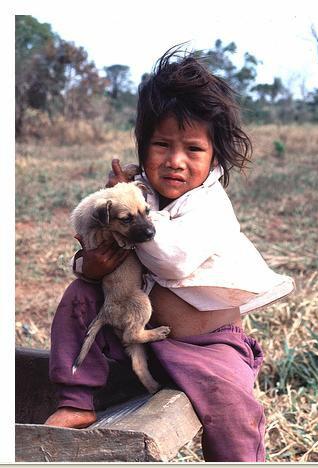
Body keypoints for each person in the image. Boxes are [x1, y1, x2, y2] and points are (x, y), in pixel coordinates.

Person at [44, 47, 294, 462]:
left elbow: (172, 259)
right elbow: (89, 232)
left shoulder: (209, 206)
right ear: (142, 146)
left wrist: (133, 213)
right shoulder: (137, 193)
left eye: (193, 150)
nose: (175, 162)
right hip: (141, 336)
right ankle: (75, 400)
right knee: (80, 296)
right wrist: (87, 265)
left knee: (235, 411)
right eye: (161, 145)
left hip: (208, 345)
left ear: (215, 156)